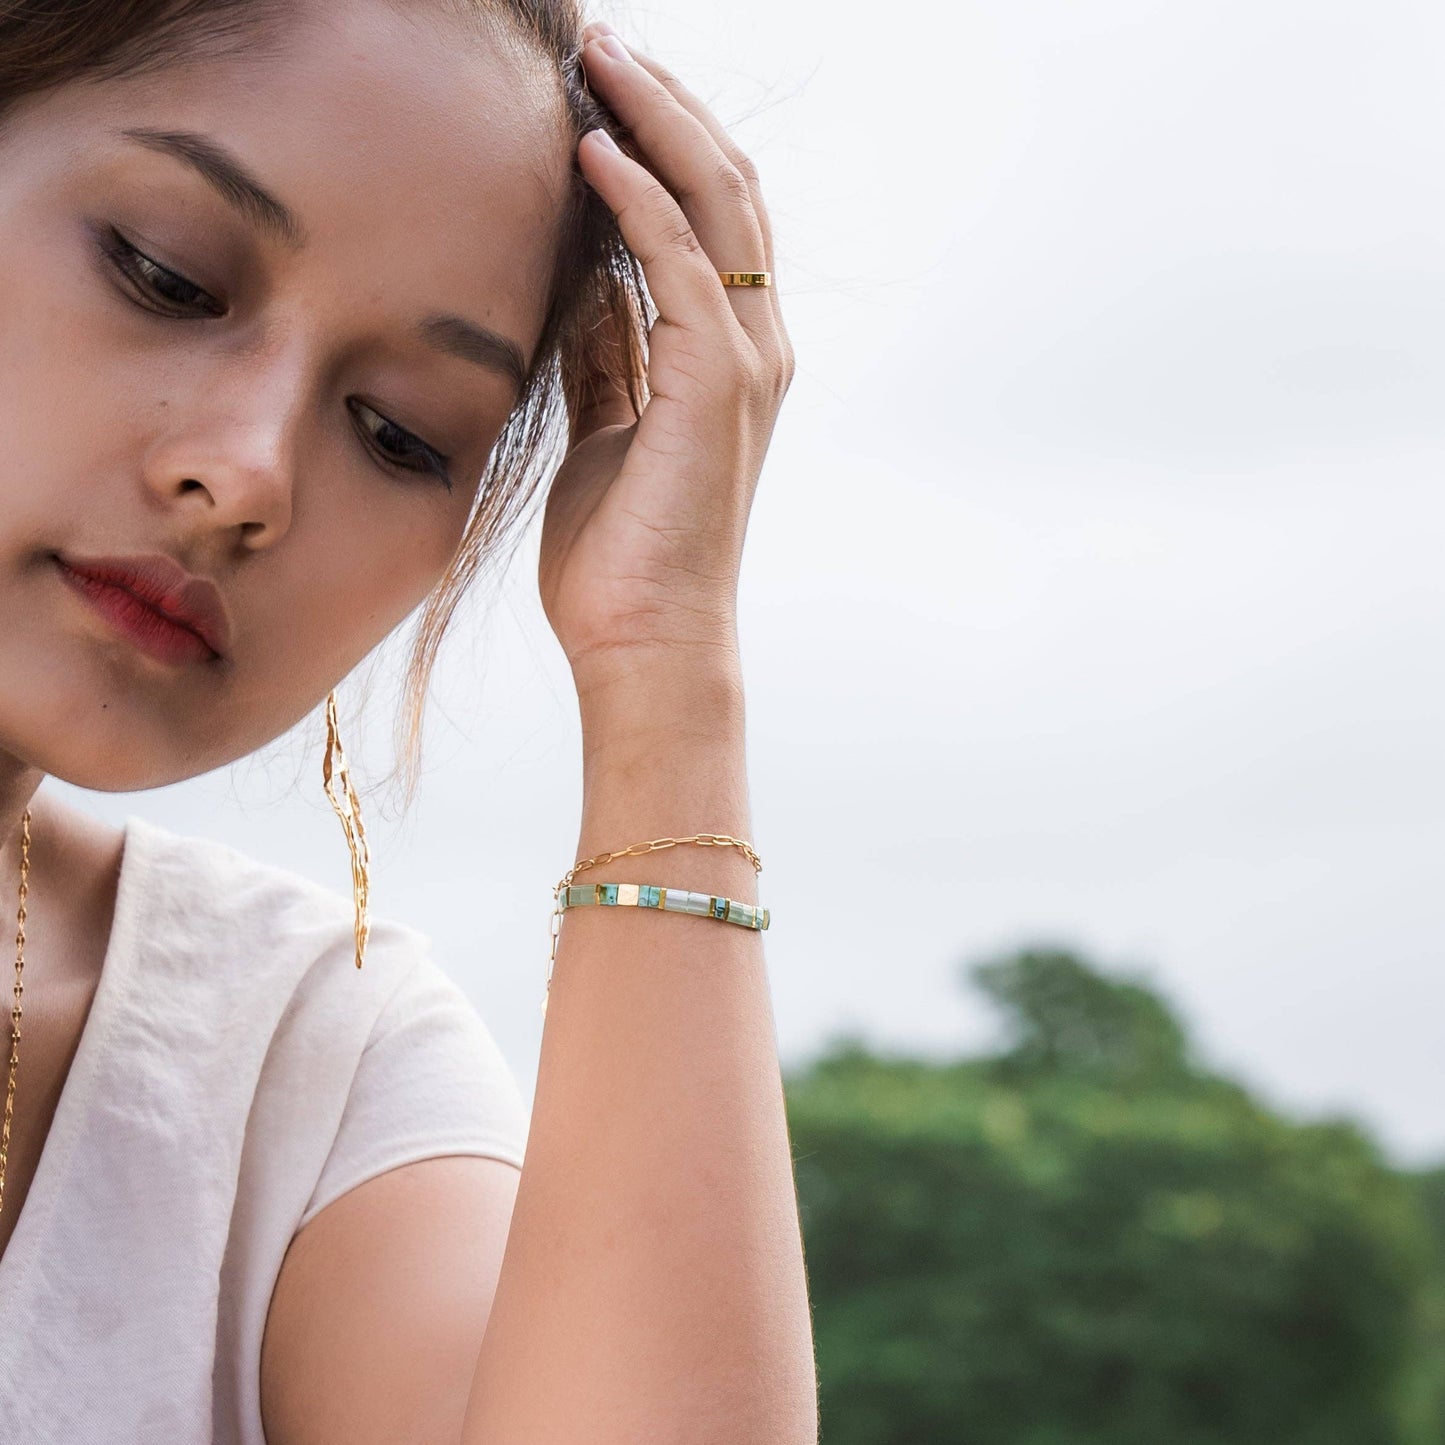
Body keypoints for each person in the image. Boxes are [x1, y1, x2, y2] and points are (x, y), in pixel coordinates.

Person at [0, 0, 814, 1441]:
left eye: (401, 432)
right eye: (165, 275)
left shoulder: (291, 1071)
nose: (247, 476)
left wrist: (666, 671)